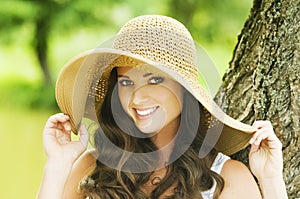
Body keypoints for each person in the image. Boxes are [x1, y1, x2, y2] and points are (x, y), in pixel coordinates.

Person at [37, 15, 288, 199]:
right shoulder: (95, 165)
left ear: (185, 90)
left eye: (155, 80)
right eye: (126, 82)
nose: (137, 99)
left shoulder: (224, 176)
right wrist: (57, 164)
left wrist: (270, 178)